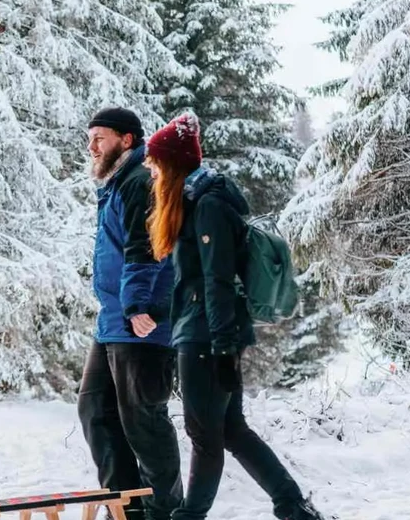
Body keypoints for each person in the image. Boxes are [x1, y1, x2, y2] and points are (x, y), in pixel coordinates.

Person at [144, 113, 325, 520]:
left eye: (155, 163)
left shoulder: (208, 206)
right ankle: (293, 506)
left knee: (205, 436)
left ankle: (193, 517)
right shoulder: (194, 204)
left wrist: (224, 347)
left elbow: (218, 281)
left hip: (209, 336)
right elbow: (190, 283)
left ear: (171, 164)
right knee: (230, 430)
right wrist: (152, 312)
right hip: (204, 330)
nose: (150, 170)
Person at [78, 107, 183, 520]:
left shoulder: (140, 181)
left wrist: (139, 306)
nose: (91, 147)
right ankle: (126, 507)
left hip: (141, 322)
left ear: (126, 140)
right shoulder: (116, 184)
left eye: (99, 138)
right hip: (113, 321)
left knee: (143, 419)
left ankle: (164, 511)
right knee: (95, 410)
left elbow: (147, 249)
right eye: (90, 140)